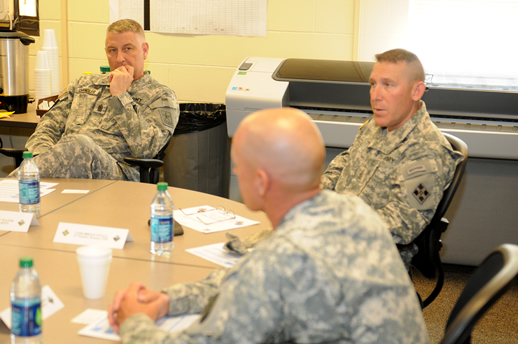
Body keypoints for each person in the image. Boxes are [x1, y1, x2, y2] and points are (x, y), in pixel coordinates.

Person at [108, 107, 429, 344]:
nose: (235, 169)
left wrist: (135, 320)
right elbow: (242, 276)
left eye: (240, 164)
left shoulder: (277, 261)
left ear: (261, 182)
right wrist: (169, 299)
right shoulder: (354, 211)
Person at [321, 48, 464, 269]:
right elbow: (347, 160)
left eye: (388, 85)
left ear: (416, 91)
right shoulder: (379, 123)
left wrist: (336, 223)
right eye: (373, 84)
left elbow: (402, 223)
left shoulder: (426, 152)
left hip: (372, 262)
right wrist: (315, 193)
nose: (375, 95)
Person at [9, 19, 179, 181]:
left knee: (81, 145)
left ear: (145, 50)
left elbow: (147, 150)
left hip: (121, 176)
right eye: (113, 50)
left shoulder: (161, 96)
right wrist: (44, 158)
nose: (119, 58)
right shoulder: (83, 84)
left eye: (128, 49)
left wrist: (120, 96)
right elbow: (47, 127)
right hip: (66, 171)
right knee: (71, 148)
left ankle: (9, 189)